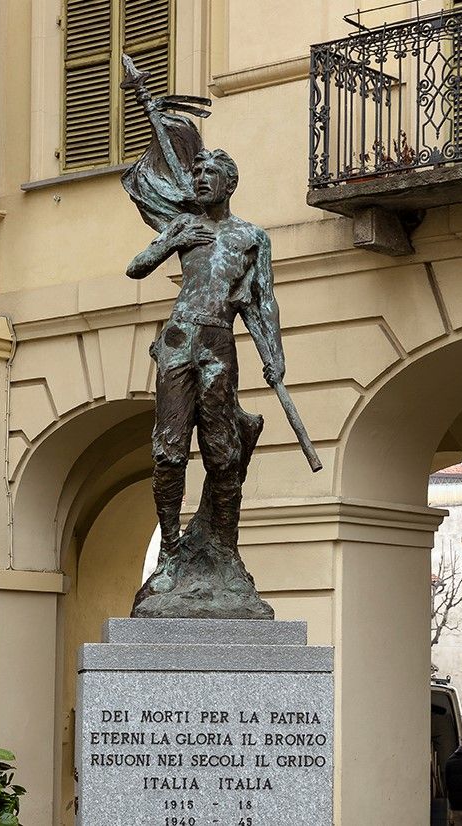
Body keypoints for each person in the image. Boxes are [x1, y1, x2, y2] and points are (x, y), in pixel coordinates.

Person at [126, 147, 285, 594]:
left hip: (218, 340)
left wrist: (274, 354)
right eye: (196, 172)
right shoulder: (183, 225)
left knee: (223, 451)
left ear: (229, 184)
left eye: (209, 173)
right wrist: (170, 241)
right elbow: (136, 268)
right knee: (168, 451)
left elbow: (264, 300)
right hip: (178, 339)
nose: (199, 179)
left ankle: (225, 549)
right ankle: (169, 553)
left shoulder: (252, 237)